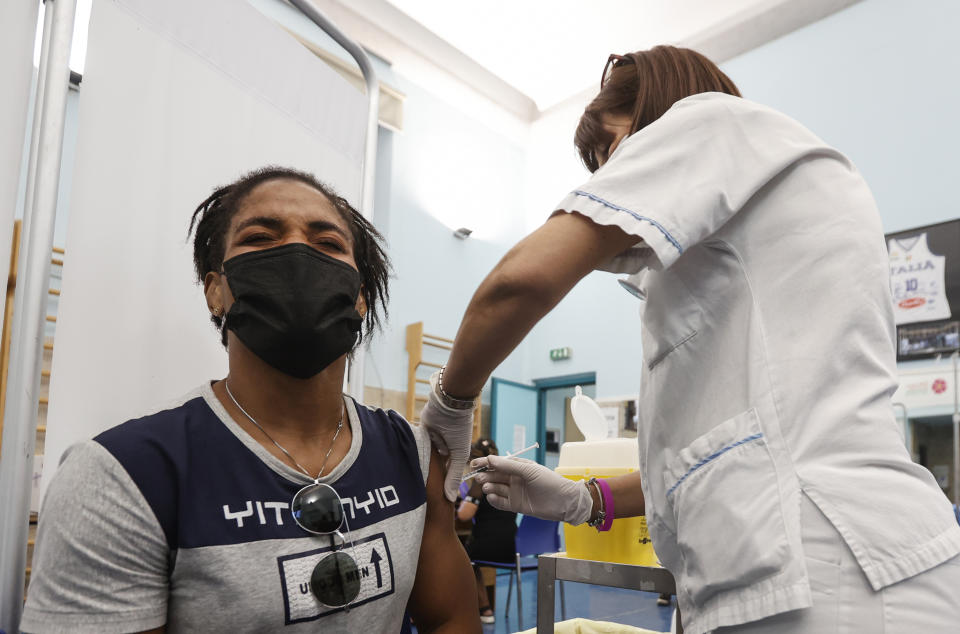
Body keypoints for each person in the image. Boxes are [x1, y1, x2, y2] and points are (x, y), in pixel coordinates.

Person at [420, 46, 960, 634]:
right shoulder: (747, 250)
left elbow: (519, 283)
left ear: (658, 113)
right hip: (810, 565)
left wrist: (452, 402)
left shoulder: (712, 121)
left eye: (609, 150)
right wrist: (587, 501)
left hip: (833, 565)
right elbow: (724, 455)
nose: (607, 177)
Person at [22, 167, 479, 633]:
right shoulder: (118, 477)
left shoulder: (410, 453)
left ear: (360, 298)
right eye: (261, 237)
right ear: (215, 290)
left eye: (328, 244)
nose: (297, 254)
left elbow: (450, 618)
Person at [457, 438, 518, 624]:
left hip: (485, 548)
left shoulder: (479, 483)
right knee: (471, 557)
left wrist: (463, 501)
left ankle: (483, 608)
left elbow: (463, 516)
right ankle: (485, 607)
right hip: (510, 549)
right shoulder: (508, 481)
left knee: (461, 558)